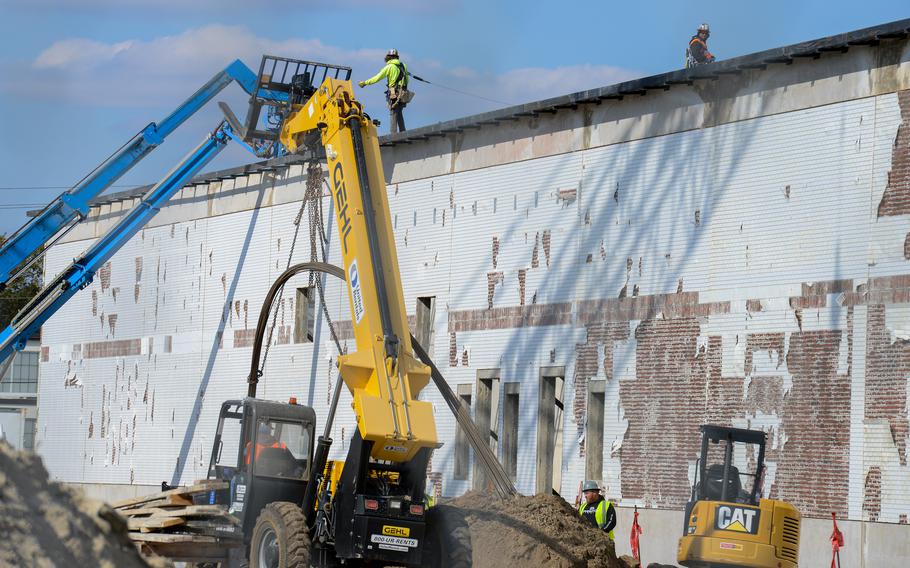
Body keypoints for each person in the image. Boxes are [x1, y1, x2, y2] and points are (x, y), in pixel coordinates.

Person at [358, 49, 411, 134]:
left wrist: (365, 83)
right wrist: (403, 89)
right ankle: (403, 132)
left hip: (394, 92)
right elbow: (407, 80)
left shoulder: (389, 67)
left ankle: (393, 135)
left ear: (388, 57)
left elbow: (377, 78)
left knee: (393, 113)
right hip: (403, 92)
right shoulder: (403, 65)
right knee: (399, 112)